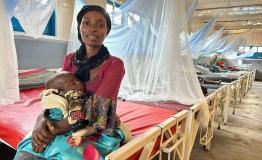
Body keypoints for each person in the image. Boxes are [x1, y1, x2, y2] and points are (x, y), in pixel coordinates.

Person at [14, 5, 126, 160]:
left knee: (68, 152)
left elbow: (96, 111)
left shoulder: (115, 64)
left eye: (100, 25)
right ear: (79, 27)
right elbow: (54, 95)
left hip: (95, 126)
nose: (92, 28)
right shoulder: (70, 59)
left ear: (107, 31)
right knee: (26, 154)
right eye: (86, 23)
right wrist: (41, 120)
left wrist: (52, 129)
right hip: (64, 118)